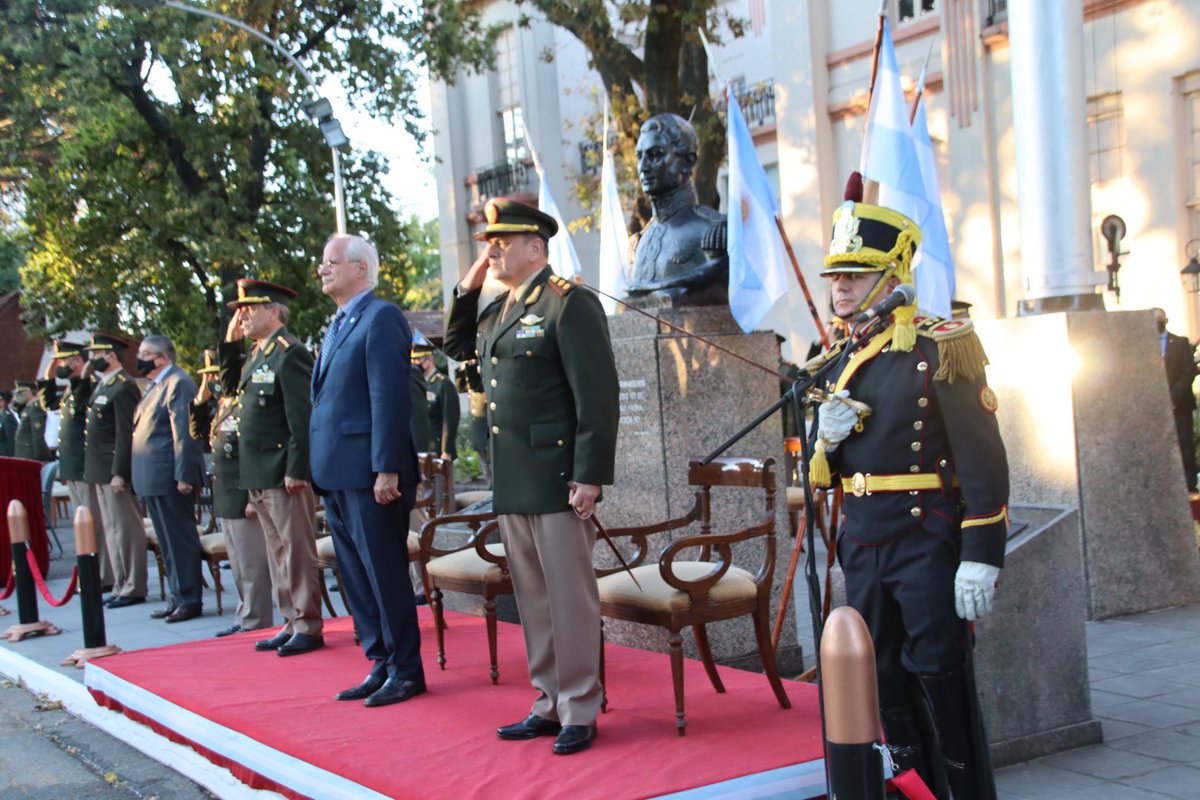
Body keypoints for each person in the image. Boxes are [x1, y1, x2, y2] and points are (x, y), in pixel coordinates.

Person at [810, 183, 1008, 799]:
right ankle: (915, 789)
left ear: (892, 276)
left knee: (940, 677)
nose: (841, 287)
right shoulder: (838, 356)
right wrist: (825, 442)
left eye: (856, 274)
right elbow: (823, 475)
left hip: (925, 538)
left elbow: (982, 456)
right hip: (863, 541)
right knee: (882, 681)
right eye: (836, 275)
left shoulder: (940, 344)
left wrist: (982, 555)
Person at [444, 198, 619, 755]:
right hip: (514, 478)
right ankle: (548, 701)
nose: (493, 250)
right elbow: (455, 346)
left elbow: (598, 397)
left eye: (502, 242)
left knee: (569, 599)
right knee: (535, 601)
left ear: (536, 247)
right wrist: (471, 283)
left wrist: (590, 476)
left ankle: (580, 706)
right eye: (489, 244)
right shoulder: (498, 310)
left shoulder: (568, 303)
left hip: (558, 476)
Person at [311, 234, 426, 706]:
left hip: (371, 474)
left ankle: (406, 669)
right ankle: (380, 661)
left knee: (384, 573)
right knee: (357, 576)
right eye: (322, 262)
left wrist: (387, 467)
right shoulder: (339, 323)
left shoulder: (381, 316)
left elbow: (388, 397)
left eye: (331, 261)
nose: (323, 269)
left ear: (361, 268)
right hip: (337, 472)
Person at [223, 279, 323, 657]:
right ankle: (290, 619)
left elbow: (302, 418)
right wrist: (230, 342)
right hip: (259, 470)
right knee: (276, 551)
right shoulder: (256, 354)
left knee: (296, 550)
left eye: (251, 309)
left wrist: (297, 469)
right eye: (240, 311)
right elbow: (228, 389)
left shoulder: (289, 353)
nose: (243, 316)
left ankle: (308, 624)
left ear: (275, 311)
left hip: (283, 470)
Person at [190, 346, 278, 636]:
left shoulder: (245, 404)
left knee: (252, 564)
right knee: (238, 563)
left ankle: (256, 620)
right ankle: (244, 615)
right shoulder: (223, 405)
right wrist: (200, 400)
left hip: (243, 493)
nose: (215, 381)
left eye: (217, 375)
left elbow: (252, 453)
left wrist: (253, 495)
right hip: (226, 493)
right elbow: (197, 434)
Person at [132, 335, 205, 623]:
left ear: (163, 357)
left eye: (146, 354)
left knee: (180, 540)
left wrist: (184, 475)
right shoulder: (156, 385)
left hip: (170, 476)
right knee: (167, 542)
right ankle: (176, 596)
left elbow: (184, 433)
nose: (140, 358)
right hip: (153, 477)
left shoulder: (178, 383)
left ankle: (189, 599)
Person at [625, 113, 727, 305]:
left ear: (688, 161)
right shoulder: (640, 242)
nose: (643, 167)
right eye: (640, 156)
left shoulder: (713, 231)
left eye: (655, 155)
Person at [39, 340, 113, 590]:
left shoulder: (86, 387)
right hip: (71, 467)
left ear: (78, 361)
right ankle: (90, 572)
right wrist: (51, 368)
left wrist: (84, 371)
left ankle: (103, 574)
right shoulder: (70, 391)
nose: (61, 365)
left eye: (65, 360)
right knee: (82, 523)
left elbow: (82, 400)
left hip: (84, 467)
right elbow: (47, 401)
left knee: (92, 523)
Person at [84, 334, 148, 610]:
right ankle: (121, 584)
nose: (91, 359)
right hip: (100, 470)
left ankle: (134, 585)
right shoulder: (104, 385)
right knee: (111, 529)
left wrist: (120, 471)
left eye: (96, 354)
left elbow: (125, 434)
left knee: (125, 529)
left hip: (114, 471)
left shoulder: (123, 387)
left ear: (111, 355)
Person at [1153, 308, 1197, 492]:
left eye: (1160, 319)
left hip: (1180, 404)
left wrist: (1173, 397)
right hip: (1156, 407)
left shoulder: (1180, 343)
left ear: (1166, 320)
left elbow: (1189, 372)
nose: (1158, 322)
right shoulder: (1144, 345)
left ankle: (1189, 484)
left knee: (1184, 444)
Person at [413, 344, 459, 460]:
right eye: (412, 360)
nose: (414, 364)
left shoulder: (443, 383)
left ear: (429, 360)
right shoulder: (418, 383)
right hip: (423, 448)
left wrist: (446, 451)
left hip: (438, 449)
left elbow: (449, 419)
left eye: (417, 360)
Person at [455, 360, 491, 486]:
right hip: (477, 422)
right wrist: (461, 370)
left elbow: (479, 386)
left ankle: (492, 480)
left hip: (486, 421)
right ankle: (489, 479)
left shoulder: (481, 371)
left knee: (490, 454)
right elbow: (460, 387)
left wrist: (471, 366)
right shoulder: (471, 375)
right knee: (480, 452)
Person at [13, 379, 52, 462]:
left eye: (21, 392)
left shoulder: (36, 408)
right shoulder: (28, 408)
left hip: (30, 455)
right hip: (24, 454)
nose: (18, 396)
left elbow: (38, 435)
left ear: (30, 392)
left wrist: (40, 457)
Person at [0, 391, 17, 457]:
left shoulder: (8, 416)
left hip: (4, 454)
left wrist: (12, 457)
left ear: (3, 402)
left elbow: (11, 439)